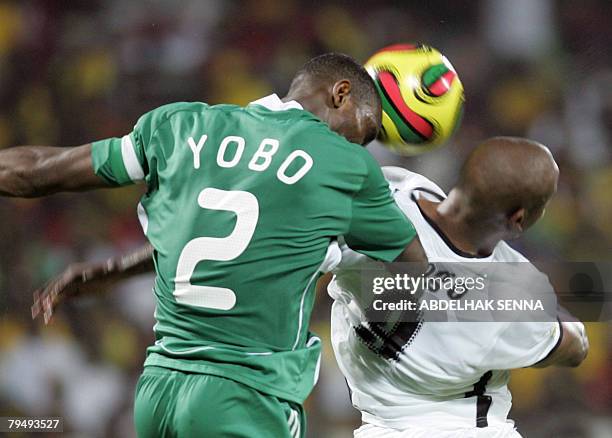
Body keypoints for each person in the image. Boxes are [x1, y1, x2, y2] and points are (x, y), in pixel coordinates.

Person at [0, 52, 426, 438]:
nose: (359, 145)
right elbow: (417, 268)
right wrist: (392, 333)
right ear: (341, 93)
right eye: (364, 131)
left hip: (159, 392)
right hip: (248, 395)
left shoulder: (179, 126)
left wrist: (116, 270)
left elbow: (39, 171)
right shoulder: (345, 165)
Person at [329, 137, 589, 437]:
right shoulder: (513, 292)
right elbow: (574, 347)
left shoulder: (389, 194)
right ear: (519, 218)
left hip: (379, 428)